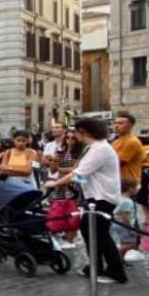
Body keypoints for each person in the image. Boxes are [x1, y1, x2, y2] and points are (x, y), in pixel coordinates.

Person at [45, 118, 126, 284]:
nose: (74, 134)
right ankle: (96, 267)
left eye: (76, 131)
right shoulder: (94, 148)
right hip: (96, 197)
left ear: (83, 131)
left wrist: (55, 183)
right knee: (90, 231)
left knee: (100, 234)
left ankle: (115, 271)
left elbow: (78, 173)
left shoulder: (99, 149)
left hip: (102, 197)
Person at [113, 178, 140, 261]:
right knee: (132, 244)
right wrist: (130, 228)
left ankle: (120, 260)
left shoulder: (118, 198)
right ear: (130, 189)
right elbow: (125, 217)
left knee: (124, 242)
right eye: (136, 188)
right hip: (124, 225)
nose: (137, 190)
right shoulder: (128, 202)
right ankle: (115, 252)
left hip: (117, 224)